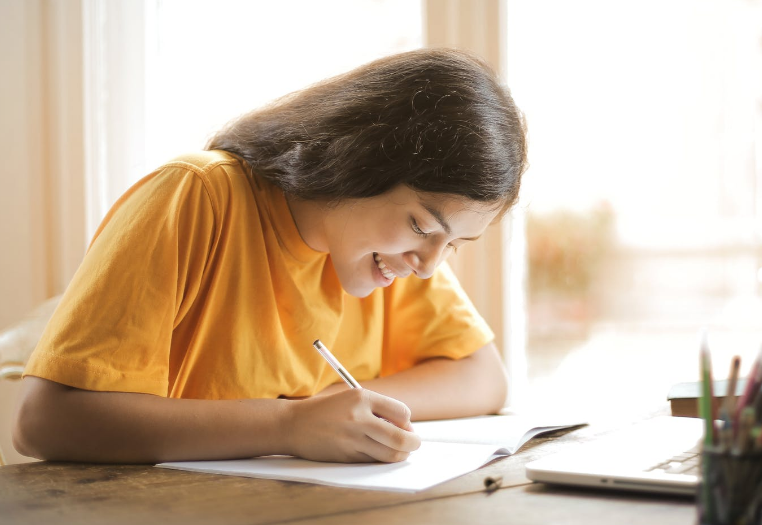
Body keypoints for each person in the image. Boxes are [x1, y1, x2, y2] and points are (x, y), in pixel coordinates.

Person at [13, 48, 527, 465]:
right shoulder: (197, 196)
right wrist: (289, 425)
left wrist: (339, 408)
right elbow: (44, 422)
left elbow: (483, 377)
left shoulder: (395, 256)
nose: (430, 265)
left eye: (453, 244)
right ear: (356, 163)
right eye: (421, 226)